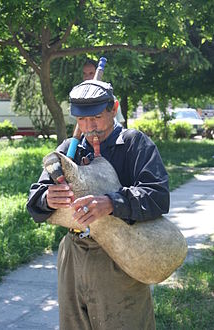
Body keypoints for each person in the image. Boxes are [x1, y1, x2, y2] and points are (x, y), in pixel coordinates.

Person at [27, 80, 170, 329]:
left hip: (121, 254)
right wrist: (47, 199)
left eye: (95, 118)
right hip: (73, 254)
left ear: (113, 108)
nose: (89, 127)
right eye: (82, 120)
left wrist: (111, 203)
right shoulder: (67, 150)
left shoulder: (134, 144)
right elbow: (34, 200)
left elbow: (157, 196)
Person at [83, 58, 125, 126]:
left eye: (91, 73)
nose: (87, 77)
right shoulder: (78, 99)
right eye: (84, 74)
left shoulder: (109, 99)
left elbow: (120, 122)